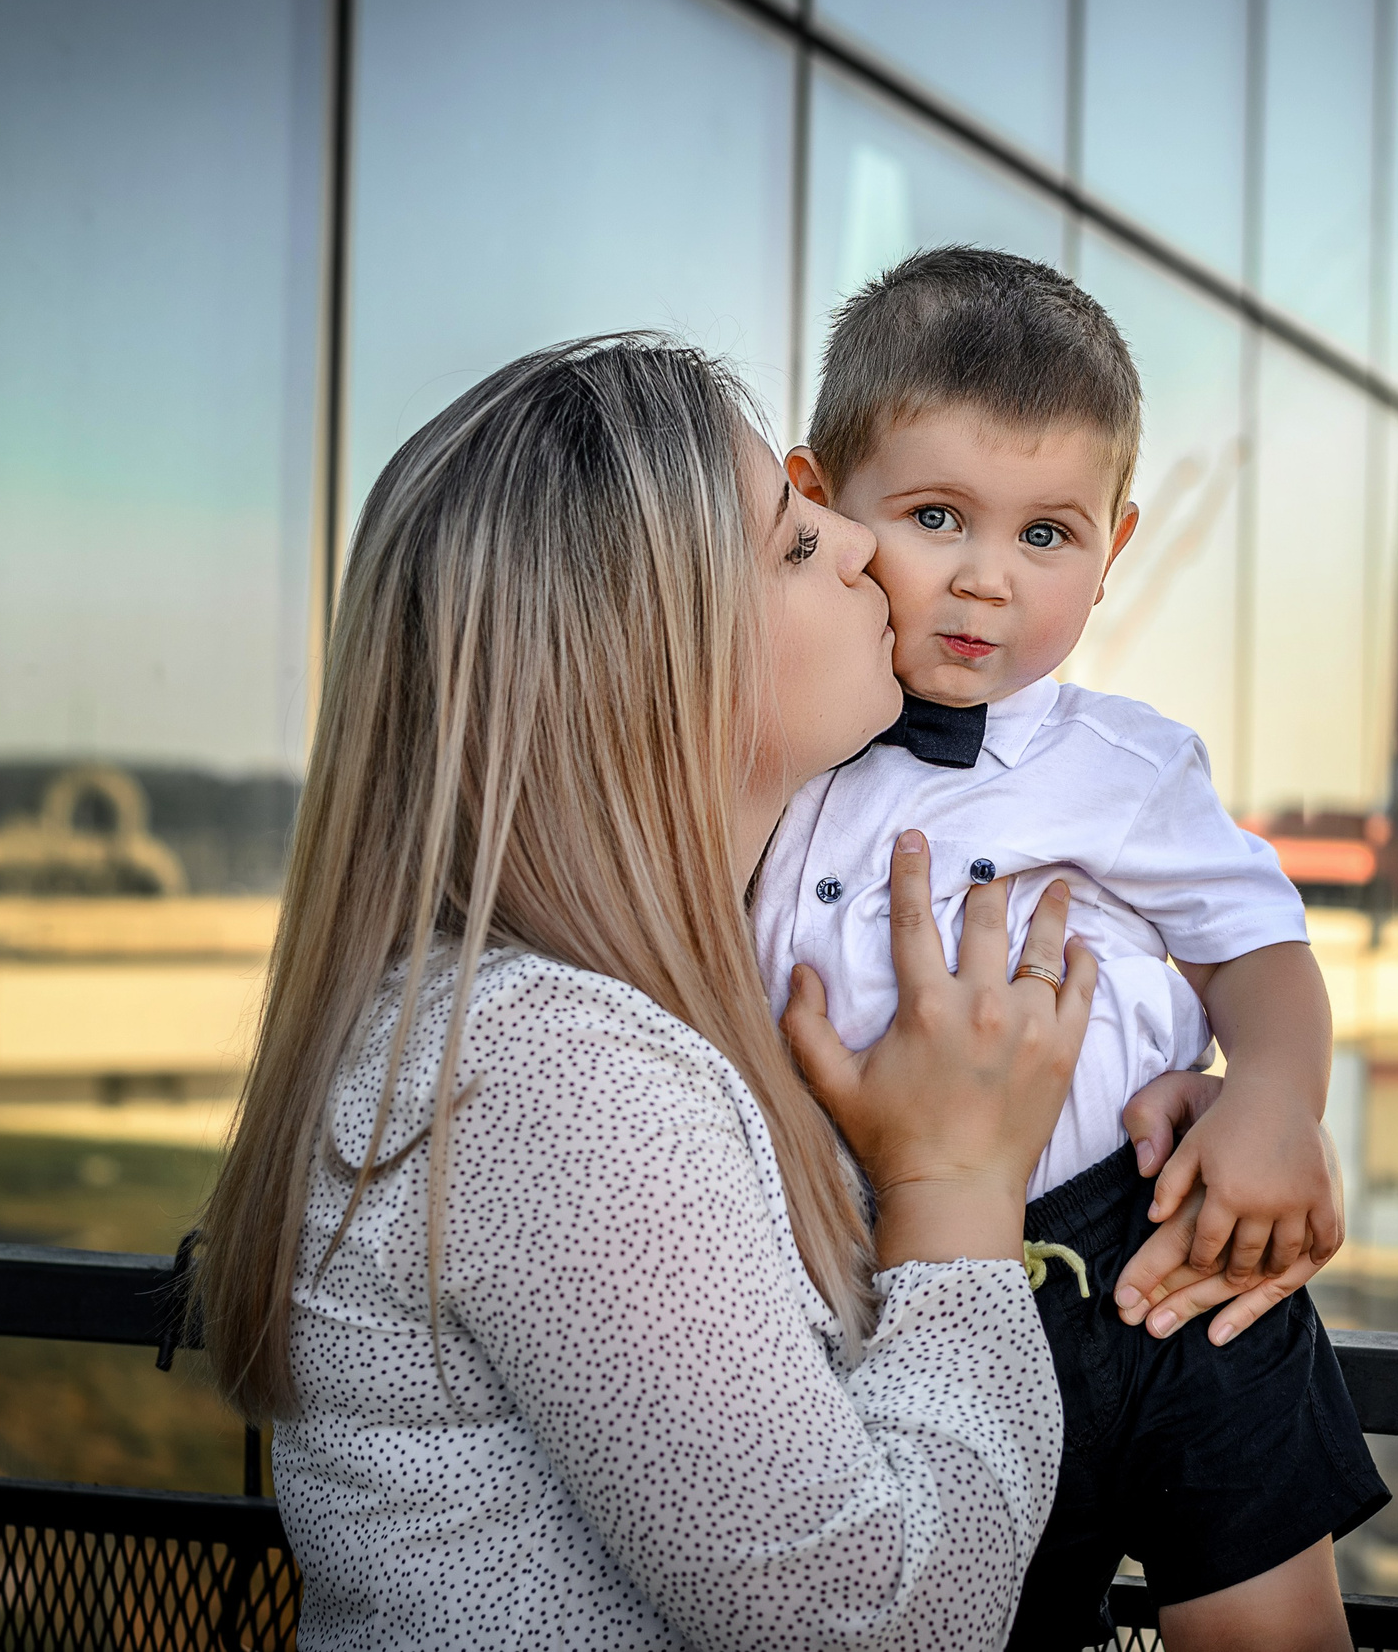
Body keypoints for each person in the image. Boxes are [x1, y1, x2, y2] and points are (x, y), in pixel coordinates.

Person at [195, 336, 1110, 1650]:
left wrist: (1173, 1108)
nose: (861, 545)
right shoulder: (553, 1074)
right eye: (795, 542)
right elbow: (877, 1629)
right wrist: (959, 1190)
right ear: (652, 661)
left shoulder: (591, 1026)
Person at [760, 248, 1389, 1652]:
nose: (987, 579)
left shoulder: (1123, 764)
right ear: (821, 502)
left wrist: (1274, 1099)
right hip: (893, 1294)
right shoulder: (775, 755)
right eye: (937, 516)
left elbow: (1258, 948)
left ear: (1115, 550)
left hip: (1153, 1253)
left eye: (1048, 534)